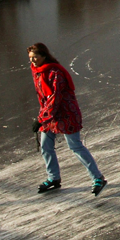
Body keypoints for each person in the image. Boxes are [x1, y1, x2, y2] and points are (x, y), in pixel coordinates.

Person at [28, 42, 106, 196]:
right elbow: (44, 98)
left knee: (75, 146)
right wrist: (43, 116)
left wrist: (40, 118)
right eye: (30, 58)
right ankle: (53, 178)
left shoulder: (55, 72)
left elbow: (55, 98)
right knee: (45, 146)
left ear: (44, 56)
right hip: (50, 115)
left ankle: (98, 178)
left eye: (35, 57)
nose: (33, 61)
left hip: (66, 114)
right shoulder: (37, 71)